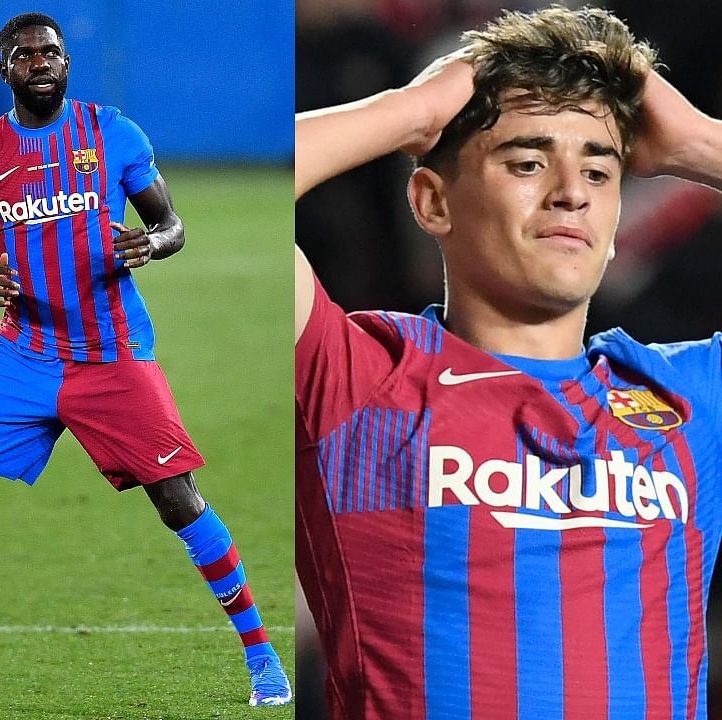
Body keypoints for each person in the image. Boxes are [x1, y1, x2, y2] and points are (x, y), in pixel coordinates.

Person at [296, 5, 722, 718]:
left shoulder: (690, 398)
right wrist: (414, 111)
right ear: (433, 202)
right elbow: (171, 209)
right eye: (527, 162)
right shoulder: (358, 378)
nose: (571, 192)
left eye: (599, 170)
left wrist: (698, 143)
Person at [0, 11, 291, 708]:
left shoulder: (112, 132)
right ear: (4, 69)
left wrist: (150, 244)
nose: (40, 61)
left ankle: (263, 659)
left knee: (178, 501)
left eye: (51, 51)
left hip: (112, 356)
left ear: (67, 62)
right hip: (23, 355)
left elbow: (171, 223)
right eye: (25, 54)